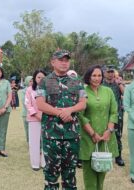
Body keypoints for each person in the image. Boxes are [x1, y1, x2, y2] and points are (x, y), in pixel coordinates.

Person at [36, 50, 87, 189]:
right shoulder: (44, 82)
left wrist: (69, 110)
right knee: (51, 173)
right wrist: (60, 113)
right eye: (61, 60)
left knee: (70, 173)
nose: (64, 63)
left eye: (66, 60)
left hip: (72, 135)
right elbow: (40, 104)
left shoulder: (76, 82)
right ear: (53, 62)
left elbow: (83, 103)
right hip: (51, 135)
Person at [79, 65, 118, 190]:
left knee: (102, 173)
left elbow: (113, 112)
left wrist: (109, 130)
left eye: (99, 75)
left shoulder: (108, 91)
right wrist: (92, 133)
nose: (97, 78)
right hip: (89, 138)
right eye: (94, 75)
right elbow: (80, 115)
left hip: (106, 137)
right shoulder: (82, 91)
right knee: (89, 177)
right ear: (88, 77)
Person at [103, 65, 125, 166]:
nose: (110, 74)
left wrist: (120, 83)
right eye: (108, 72)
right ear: (104, 73)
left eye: (112, 72)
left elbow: (125, 93)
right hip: (104, 114)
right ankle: (102, 154)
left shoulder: (117, 84)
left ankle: (118, 156)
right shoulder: (101, 84)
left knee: (117, 136)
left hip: (117, 114)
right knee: (103, 133)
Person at [25, 70, 46, 171]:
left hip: (47, 118)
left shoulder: (48, 90)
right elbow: (27, 104)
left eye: (43, 77)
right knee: (34, 142)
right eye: (38, 77)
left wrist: (44, 115)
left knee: (46, 142)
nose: (41, 79)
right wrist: (36, 115)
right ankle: (35, 164)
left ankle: (44, 163)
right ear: (34, 79)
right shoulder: (29, 90)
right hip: (33, 119)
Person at [20, 75, 33, 143]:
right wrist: (31, 109)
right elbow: (24, 102)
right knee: (27, 129)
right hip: (26, 113)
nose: (32, 82)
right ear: (27, 81)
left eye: (32, 81)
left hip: (35, 113)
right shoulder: (23, 91)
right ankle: (29, 142)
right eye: (30, 81)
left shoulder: (36, 89)